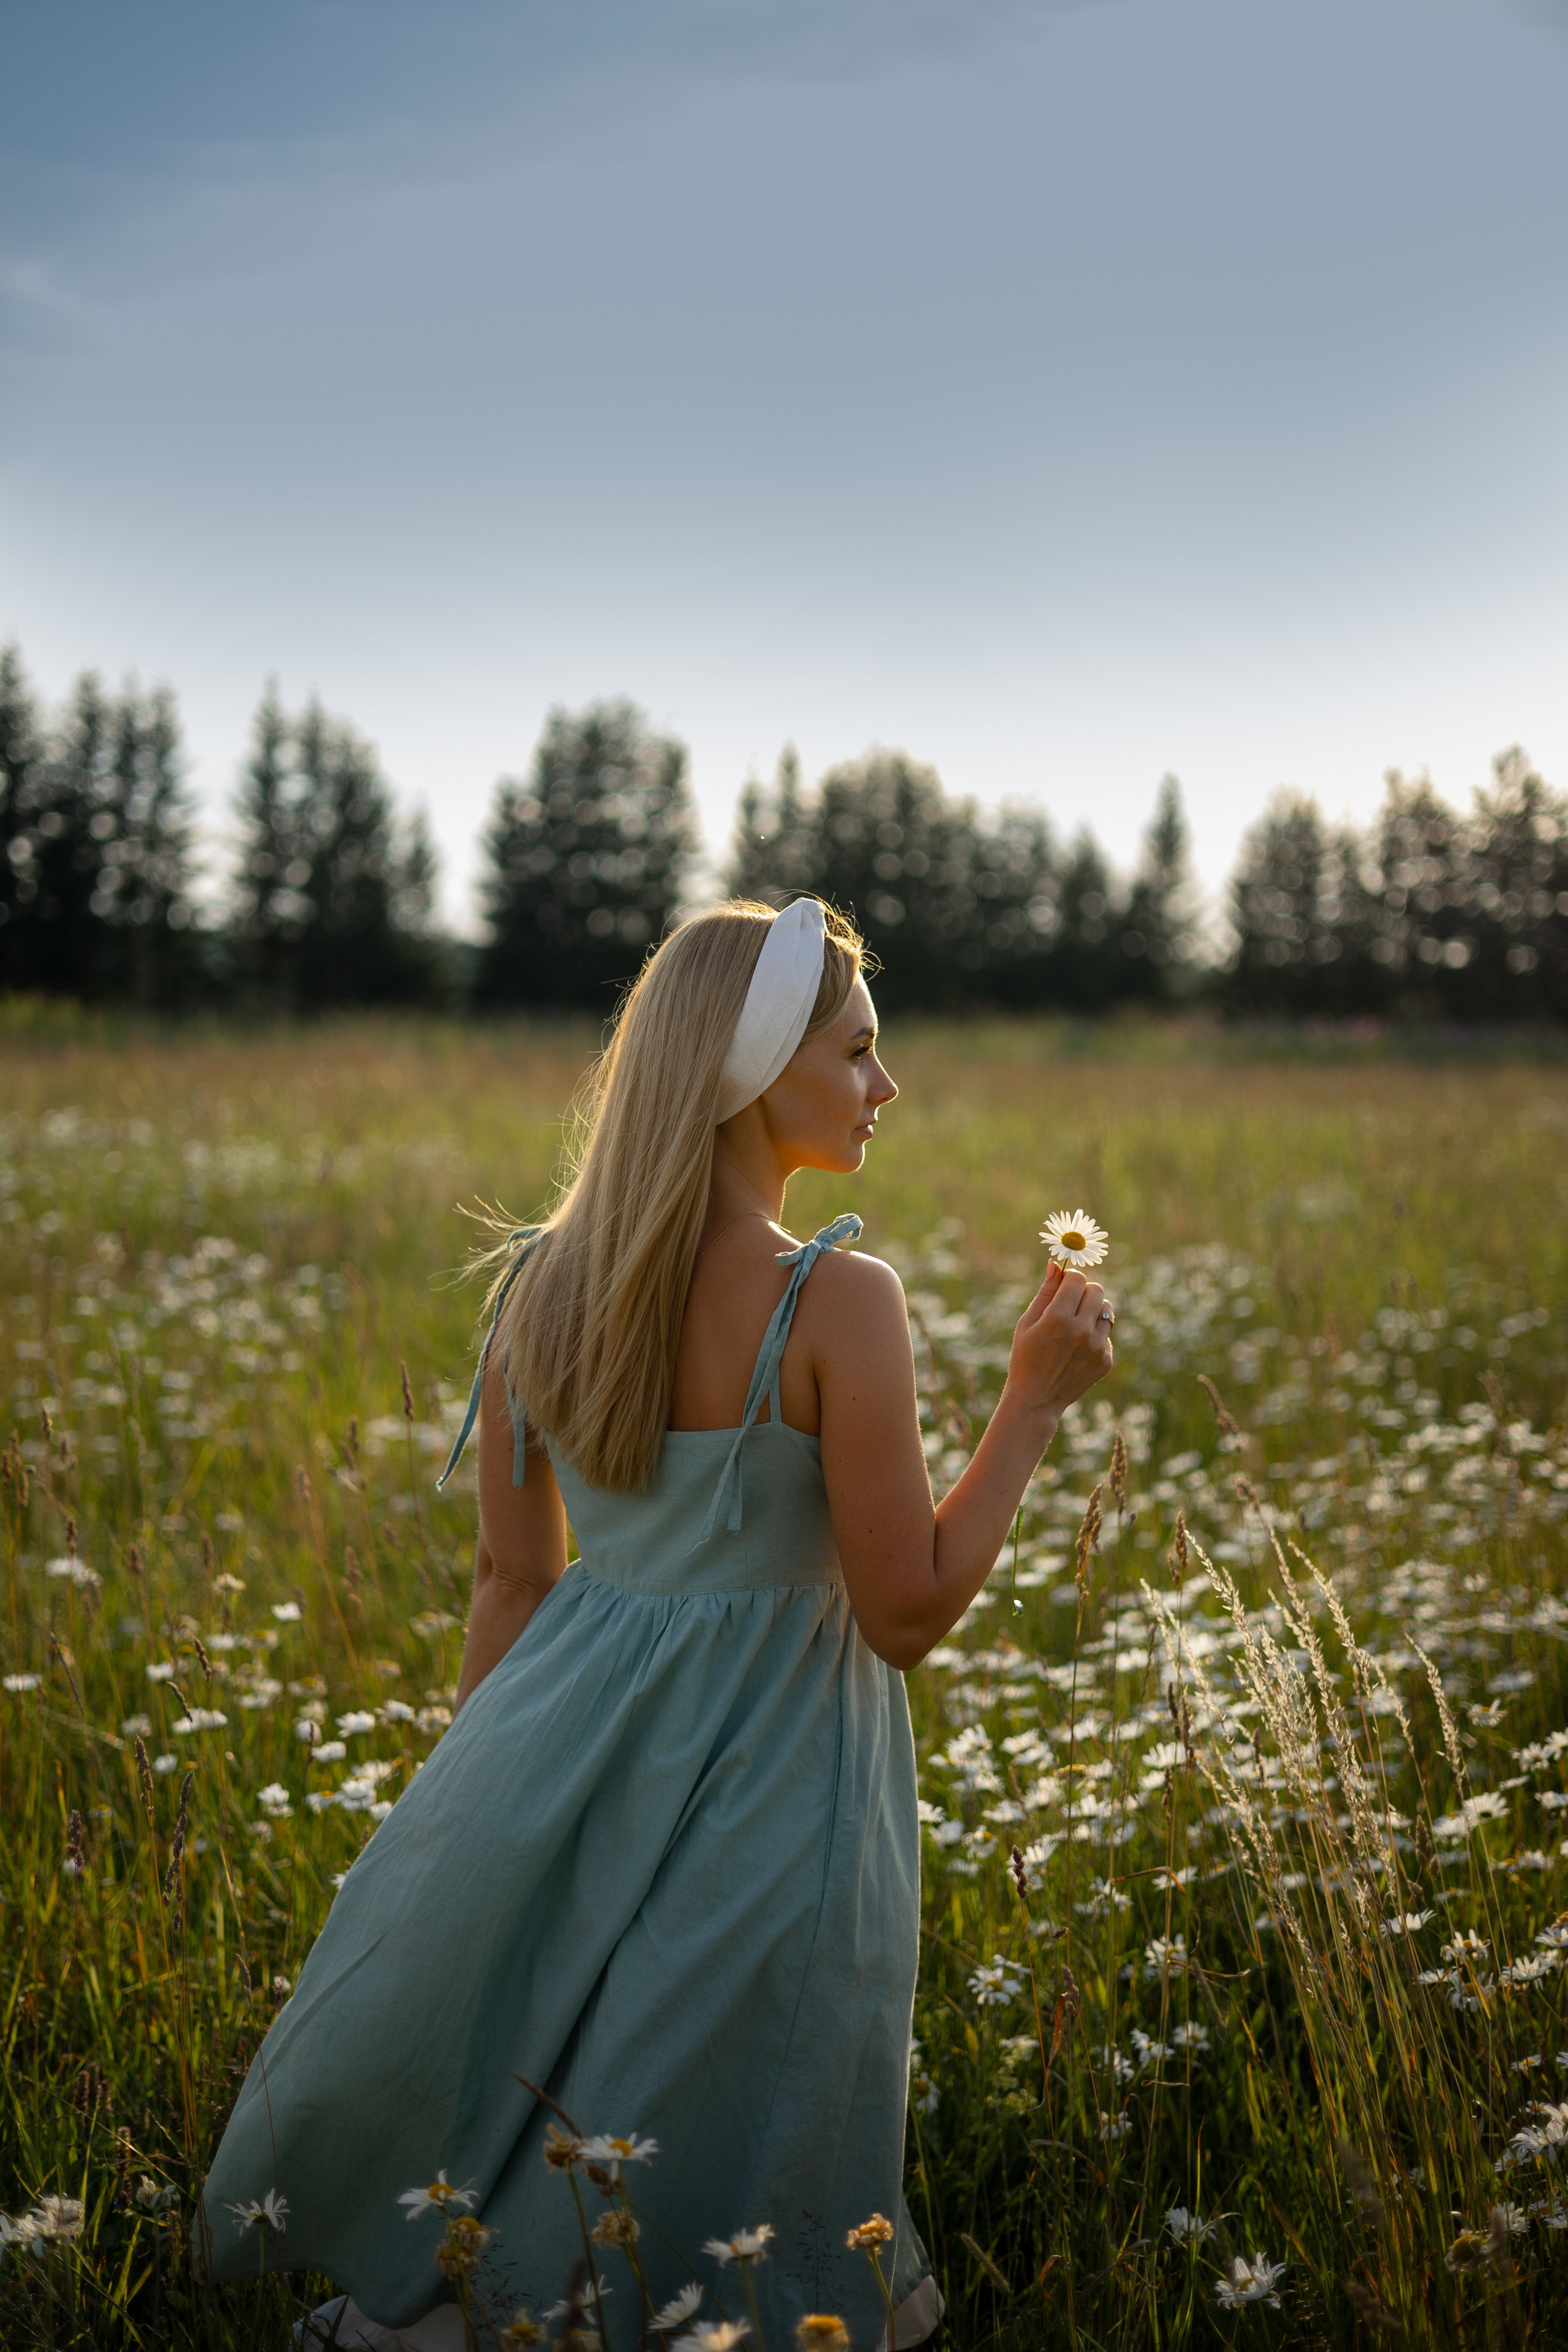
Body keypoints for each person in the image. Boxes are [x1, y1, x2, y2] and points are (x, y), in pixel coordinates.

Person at [197, 896, 1114, 2350]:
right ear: (753, 1072)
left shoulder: (538, 1285)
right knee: (725, 2103)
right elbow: (907, 1612)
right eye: (858, 1052)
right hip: (775, 1771)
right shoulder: (838, 1301)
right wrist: (1031, 1406)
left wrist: (487, 1818)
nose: (886, 1089)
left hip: (562, 1747)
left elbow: (511, 1583)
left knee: (562, 2077)